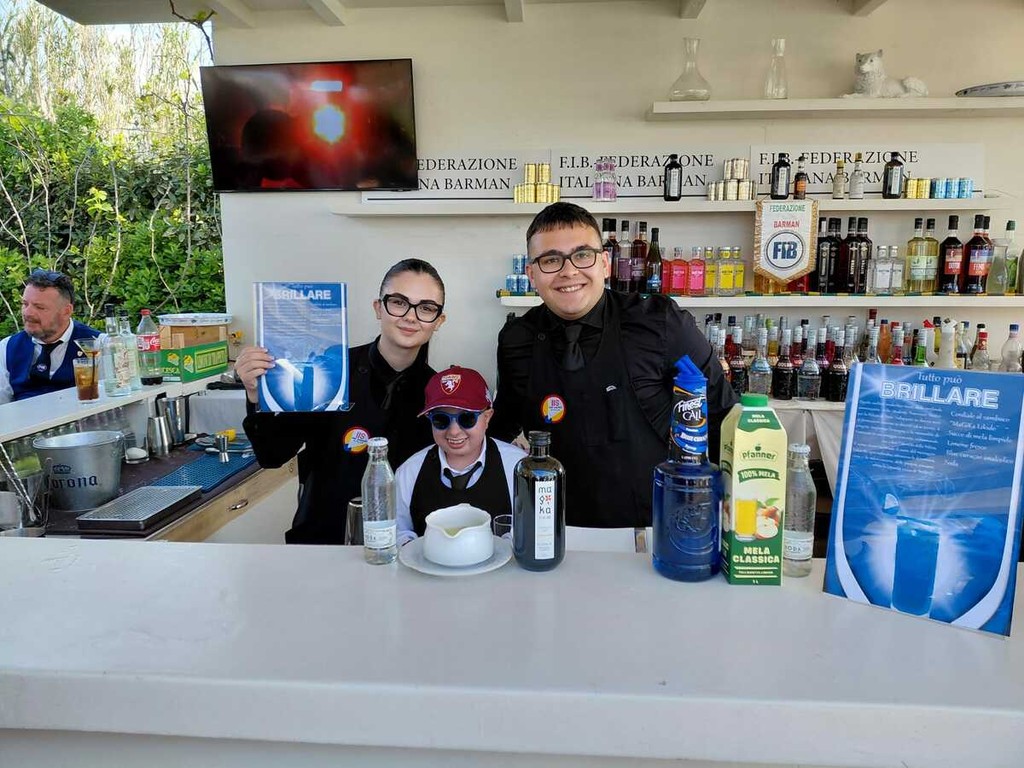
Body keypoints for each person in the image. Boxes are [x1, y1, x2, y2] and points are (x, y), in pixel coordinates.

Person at [490, 202, 737, 529]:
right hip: (554, 528)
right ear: (531, 274)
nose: (568, 271)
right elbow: (502, 428)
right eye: (550, 260)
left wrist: (727, 507)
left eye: (582, 255)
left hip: (657, 528)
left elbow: (723, 415)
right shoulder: (516, 340)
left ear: (605, 263)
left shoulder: (661, 322)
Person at [238, 259, 446, 544]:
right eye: (399, 302)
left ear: (438, 321)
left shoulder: (439, 393)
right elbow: (272, 455)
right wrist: (255, 393)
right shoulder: (330, 373)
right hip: (325, 543)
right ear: (378, 307)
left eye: (426, 308)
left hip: (407, 546)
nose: (411, 317)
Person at [395, 366, 525, 546]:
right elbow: (397, 532)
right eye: (441, 419)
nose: (454, 431)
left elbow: (533, 531)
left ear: (487, 417)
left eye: (467, 418)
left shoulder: (518, 468)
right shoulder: (409, 472)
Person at [0, 268, 100, 405]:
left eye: (39, 307)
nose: (28, 313)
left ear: (66, 311)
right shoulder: (6, 349)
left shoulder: (97, 345)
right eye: (25, 304)